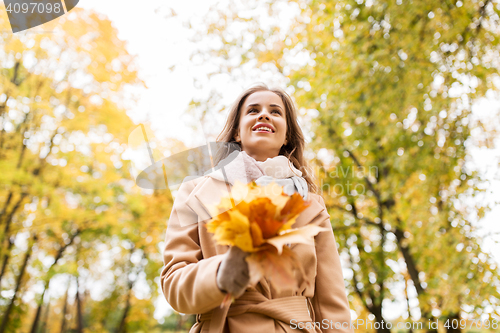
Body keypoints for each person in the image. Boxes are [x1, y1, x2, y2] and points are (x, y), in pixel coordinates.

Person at [160, 83, 353, 333]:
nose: (264, 114)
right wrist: (221, 273)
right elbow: (174, 284)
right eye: (253, 110)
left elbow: (331, 302)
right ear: (237, 133)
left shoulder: (311, 205)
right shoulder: (194, 193)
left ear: (286, 136)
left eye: (275, 111)